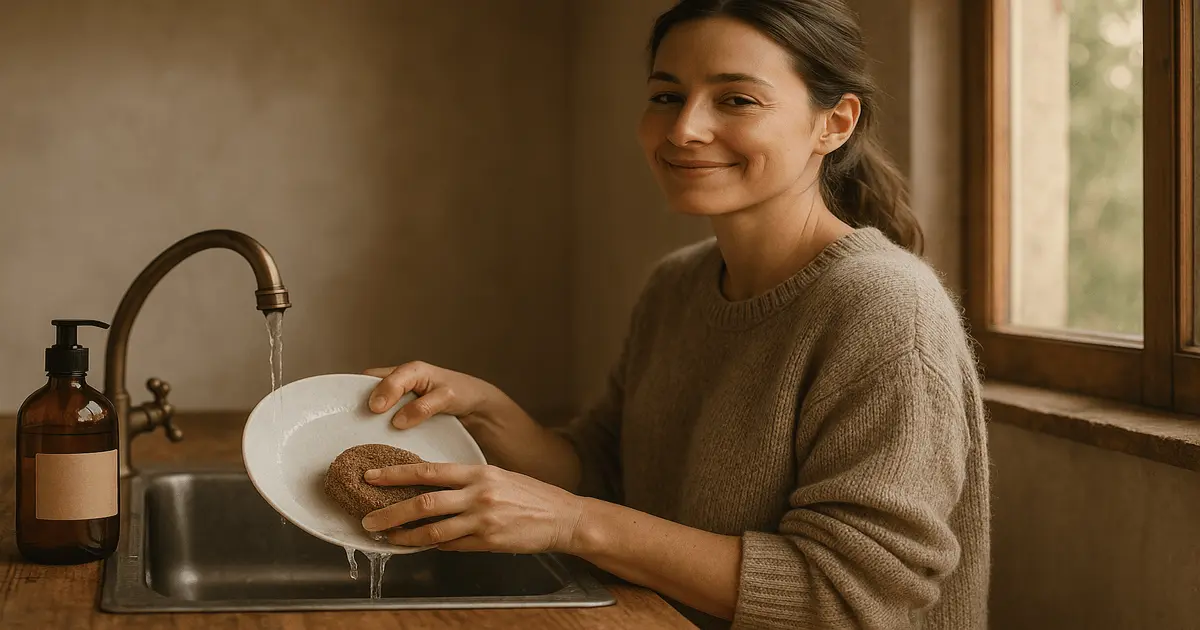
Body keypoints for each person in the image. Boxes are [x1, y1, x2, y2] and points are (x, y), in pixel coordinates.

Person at [355, 1, 990, 628]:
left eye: (736, 99)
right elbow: (607, 471)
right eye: (666, 96)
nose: (684, 128)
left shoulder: (887, 311)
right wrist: (487, 411)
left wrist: (575, 522)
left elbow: (850, 598)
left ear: (835, 123)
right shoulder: (678, 284)